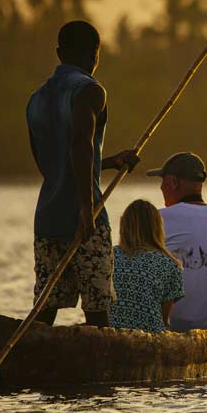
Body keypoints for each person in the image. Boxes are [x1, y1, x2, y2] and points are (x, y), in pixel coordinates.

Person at [26, 20, 139, 327]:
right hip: (84, 218)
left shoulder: (35, 99)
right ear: (94, 56)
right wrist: (86, 208)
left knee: (45, 309)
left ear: (59, 53)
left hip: (48, 218)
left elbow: (51, 163)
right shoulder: (90, 91)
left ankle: (32, 361)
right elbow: (79, 143)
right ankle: (102, 369)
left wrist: (111, 161)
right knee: (98, 310)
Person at [146, 152, 207, 331]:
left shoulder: (160, 217)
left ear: (174, 183)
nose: (161, 187)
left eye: (163, 181)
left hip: (171, 327)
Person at [109, 199, 185, 333]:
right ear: (158, 227)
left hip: (110, 334)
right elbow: (163, 319)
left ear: (123, 224)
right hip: (149, 337)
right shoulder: (170, 265)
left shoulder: (108, 256)